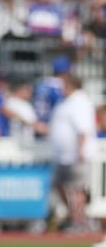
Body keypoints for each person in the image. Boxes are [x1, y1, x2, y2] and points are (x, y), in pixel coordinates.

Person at [49, 74, 97, 233]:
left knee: (77, 188)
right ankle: (74, 217)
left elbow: (83, 129)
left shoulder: (79, 102)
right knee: (59, 185)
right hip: (64, 155)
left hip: (76, 154)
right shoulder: (67, 102)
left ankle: (80, 221)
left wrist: (81, 151)